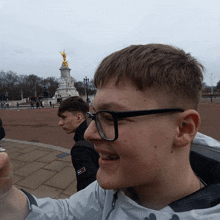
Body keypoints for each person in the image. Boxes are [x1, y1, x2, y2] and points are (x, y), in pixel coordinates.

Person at [1, 43, 220, 219]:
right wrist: (5, 194)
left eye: (112, 117)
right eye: (95, 116)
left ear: (183, 129)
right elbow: (67, 213)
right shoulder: (117, 184)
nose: (88, 134)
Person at [58, 96, 99, 191]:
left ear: (78, 117)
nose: (60, 123)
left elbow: (87, 190)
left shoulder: (80, 150)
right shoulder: (97, 133)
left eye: (63, 117)